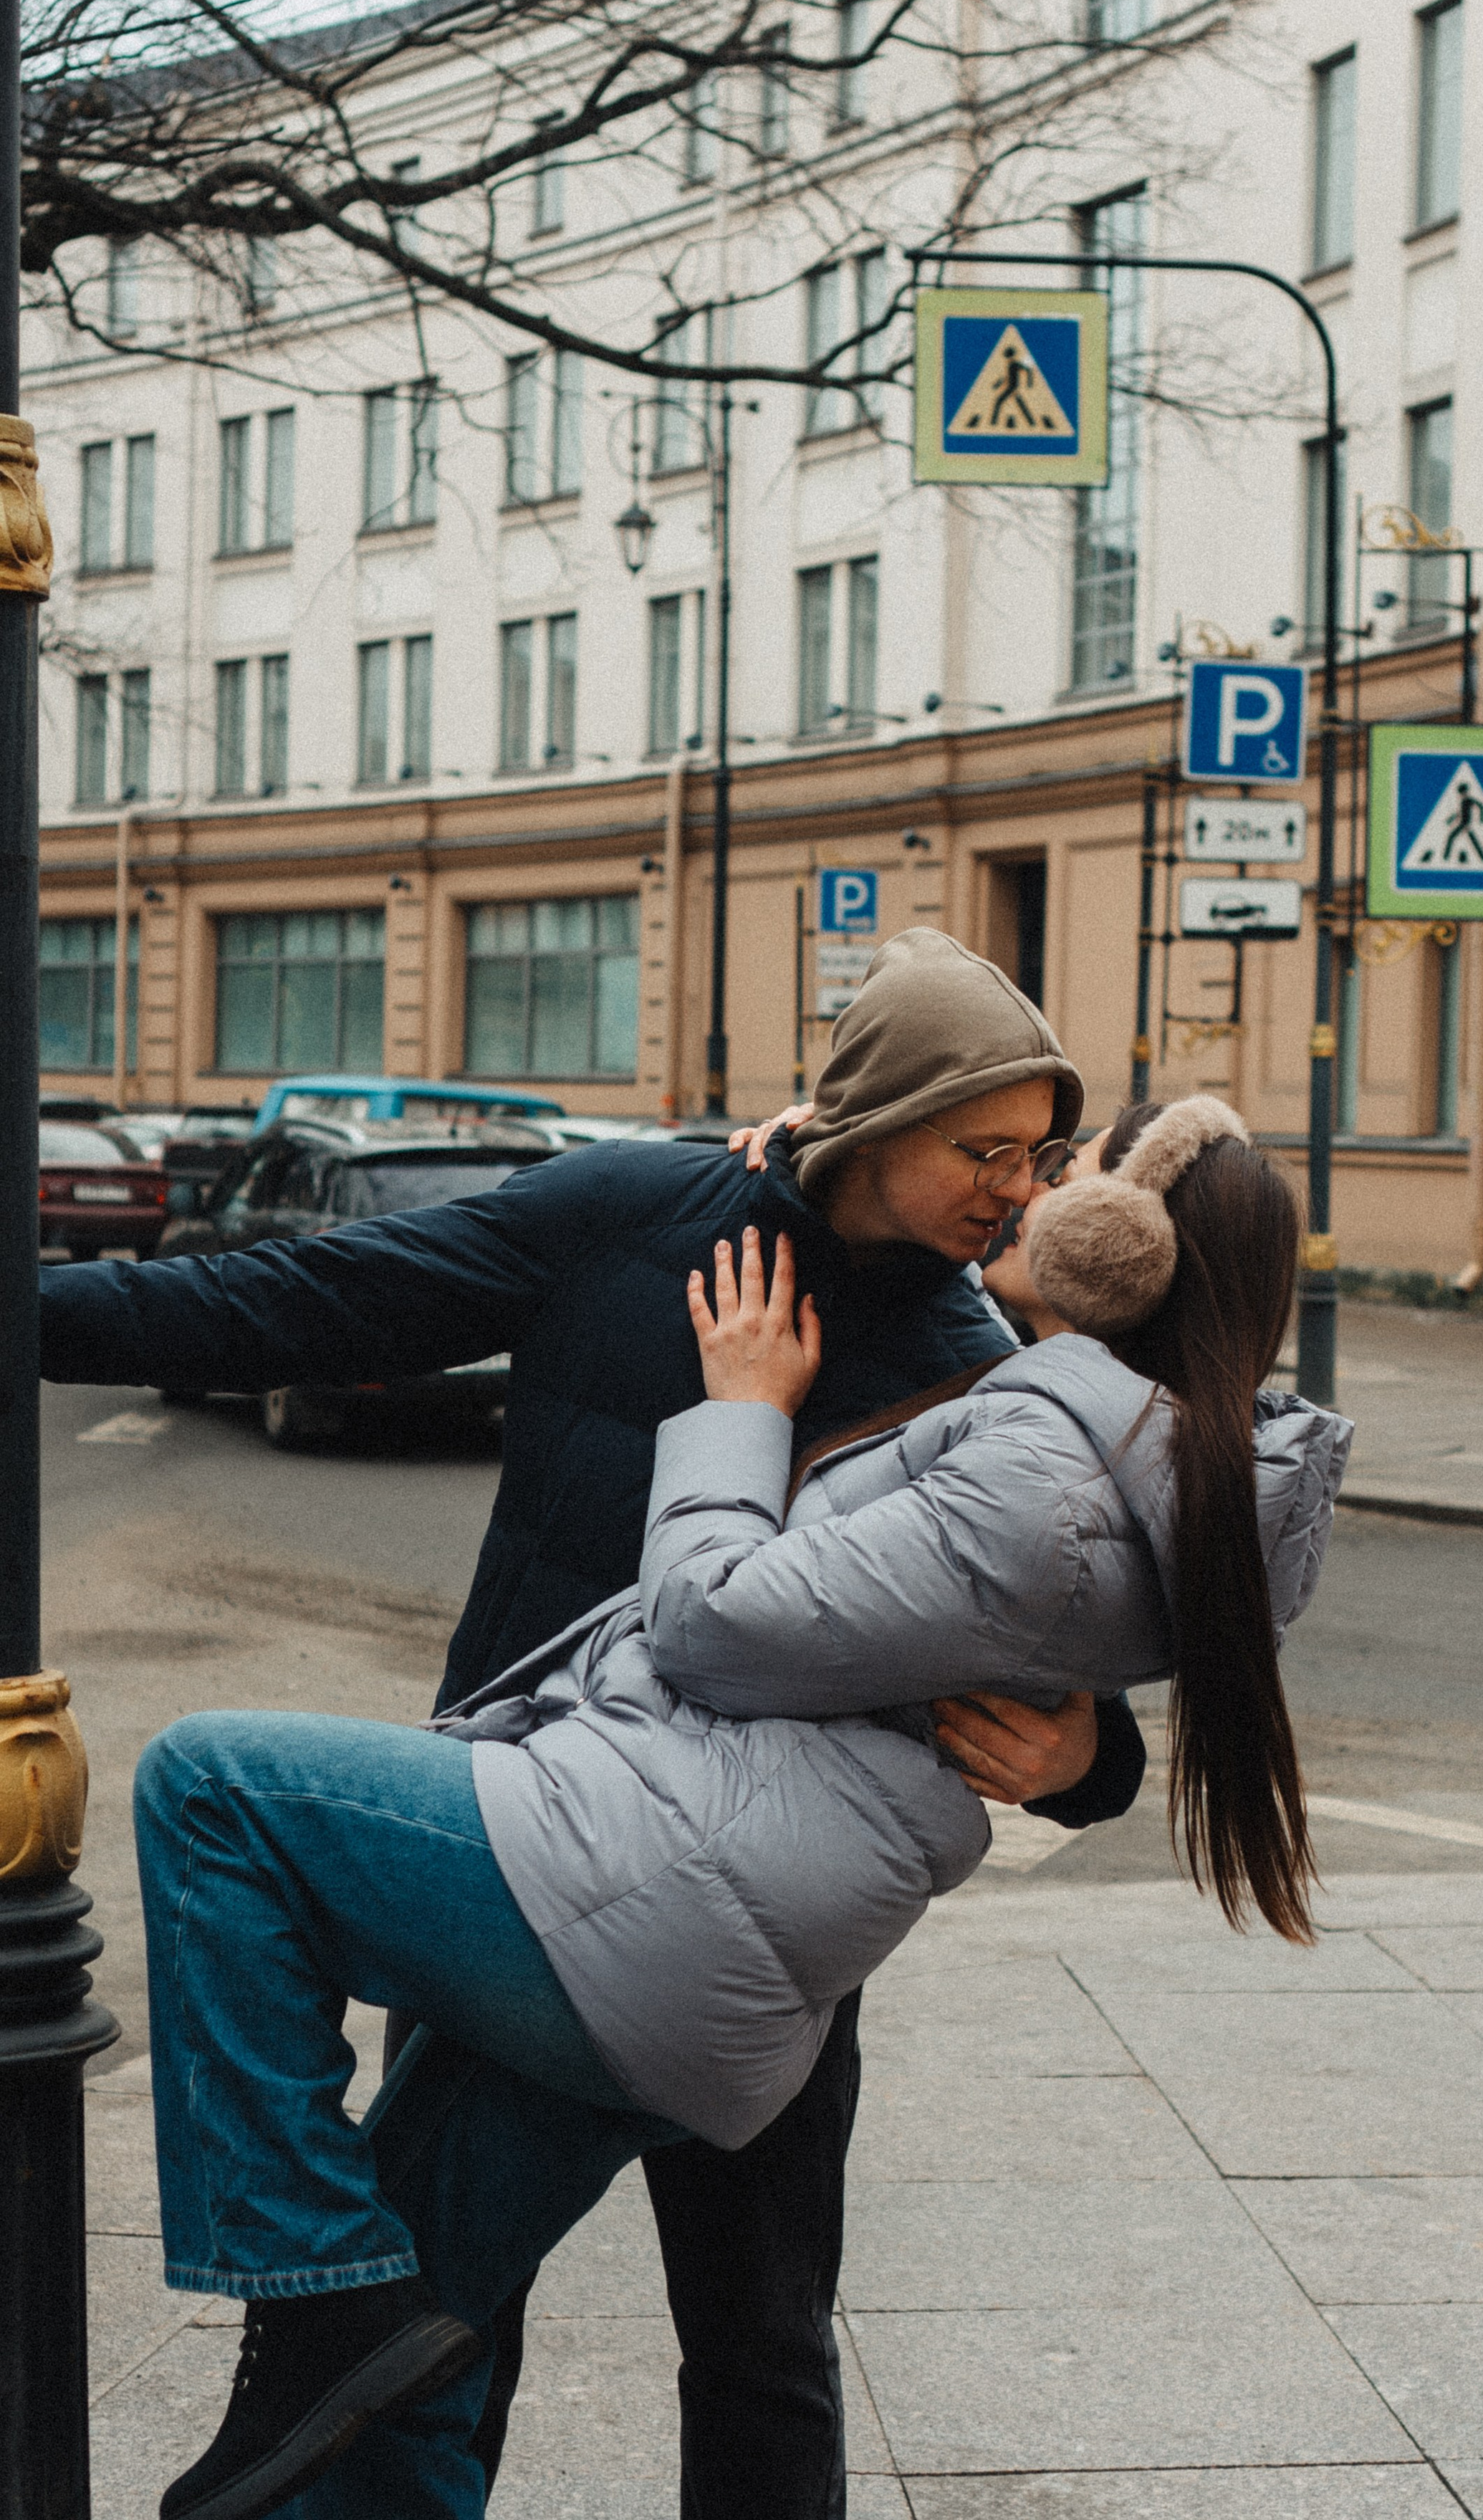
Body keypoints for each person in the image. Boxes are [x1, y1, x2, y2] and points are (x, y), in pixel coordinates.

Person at [41, 928, 1151, 2519]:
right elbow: (288, 1305)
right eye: (984, 1149)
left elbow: (1080, 1632)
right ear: (874, 1117)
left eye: (1036, 1155)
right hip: (515, 1832)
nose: (1018, 1188)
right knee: (442, 2321)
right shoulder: (634, 1213)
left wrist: (1091, 1764)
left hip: (749, 1925)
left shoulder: (977, 1374)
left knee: (761, 2335)